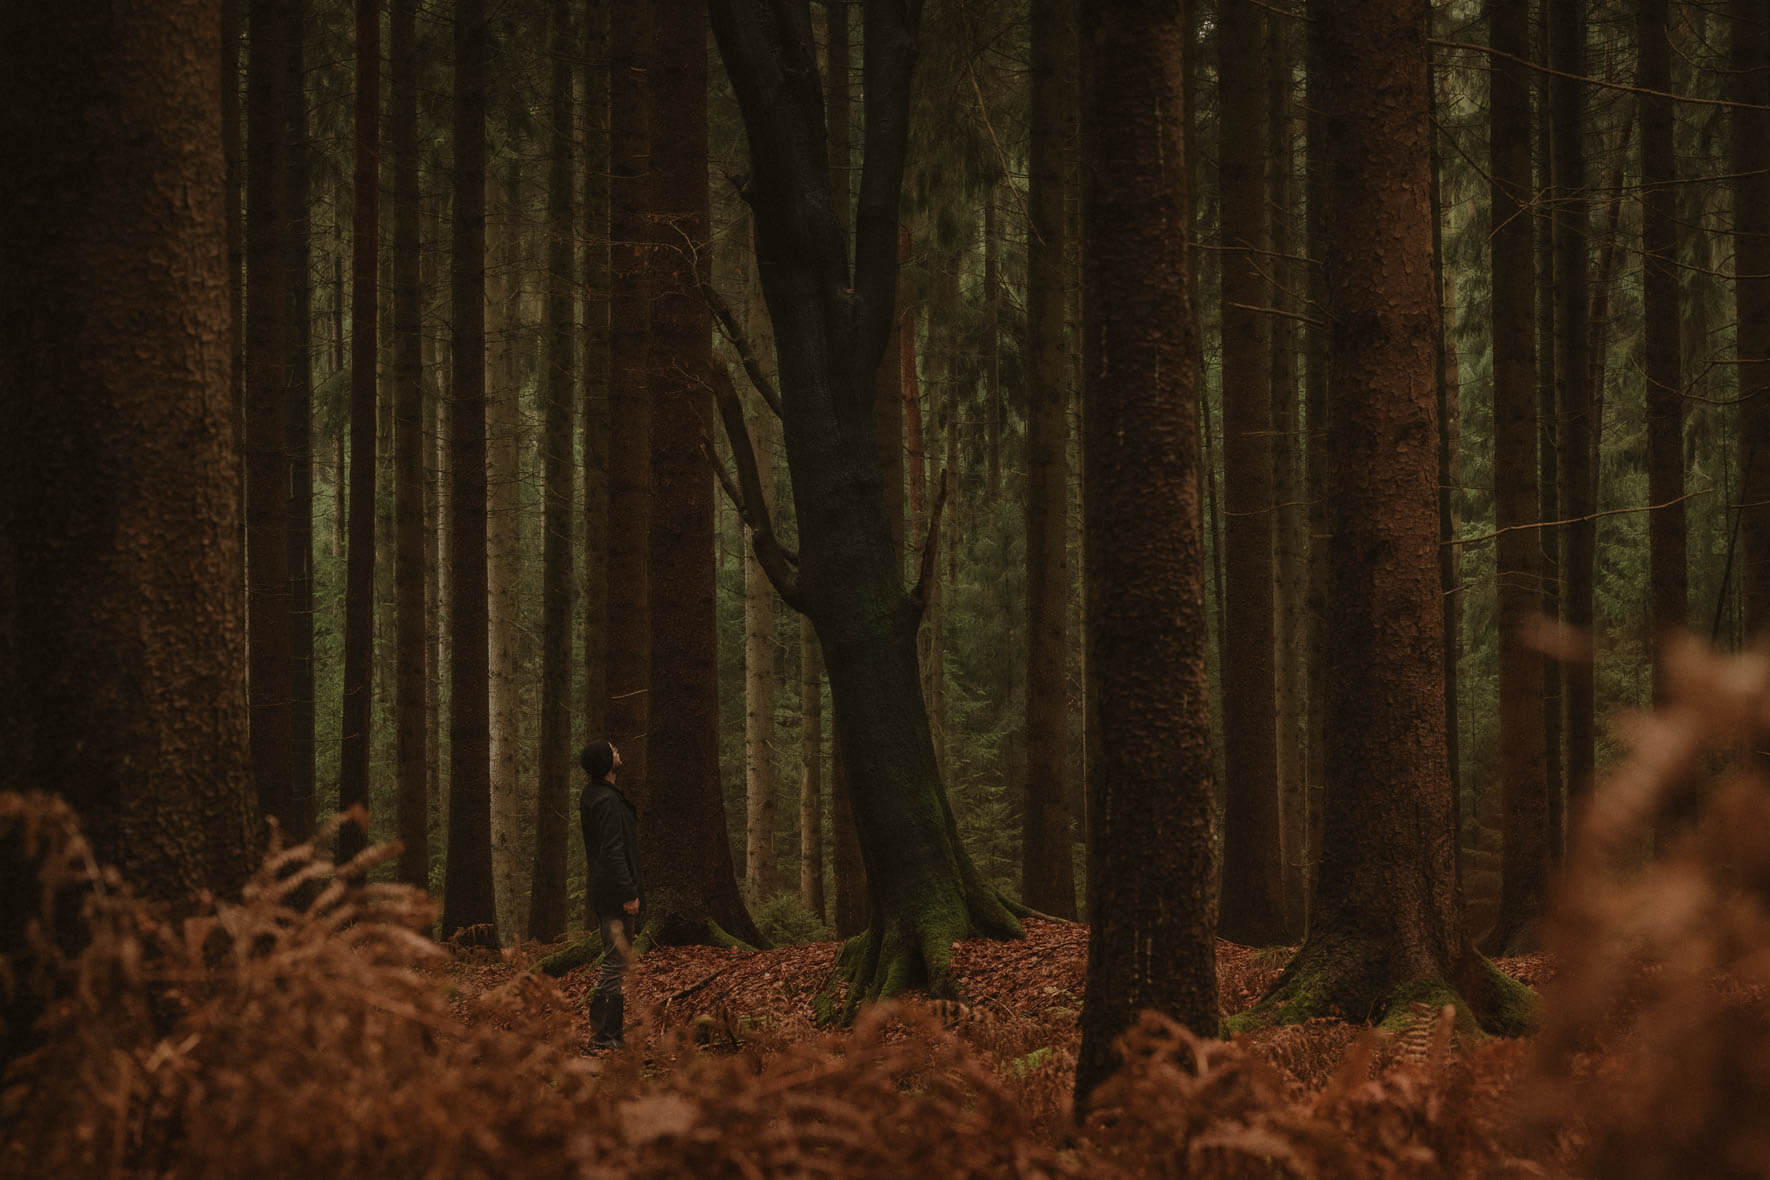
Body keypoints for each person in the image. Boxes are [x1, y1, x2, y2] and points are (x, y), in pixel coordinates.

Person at [578, 739, 641, 1049]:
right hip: (614, 892)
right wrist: (628, 892)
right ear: (606, 762)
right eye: (613, 749)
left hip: (604, 890)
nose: (618, 751)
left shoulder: (597, 796)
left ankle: (609, 1035)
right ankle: (603, 1036)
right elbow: (613, 851)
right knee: (614, 962)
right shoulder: (606, 801)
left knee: (615, 961)